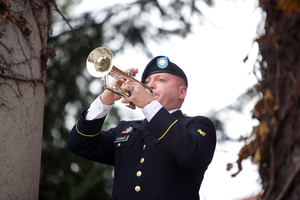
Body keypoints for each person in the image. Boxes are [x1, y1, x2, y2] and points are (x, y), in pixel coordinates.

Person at [68, 56, 216, 200]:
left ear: (181, 92)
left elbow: (190, 153)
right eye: (146, 81)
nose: (150, 85)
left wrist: (149, 105)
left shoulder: (198, 125)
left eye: (161, 80)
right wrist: (105, 100)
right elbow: (79, 143)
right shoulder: (126, 128)